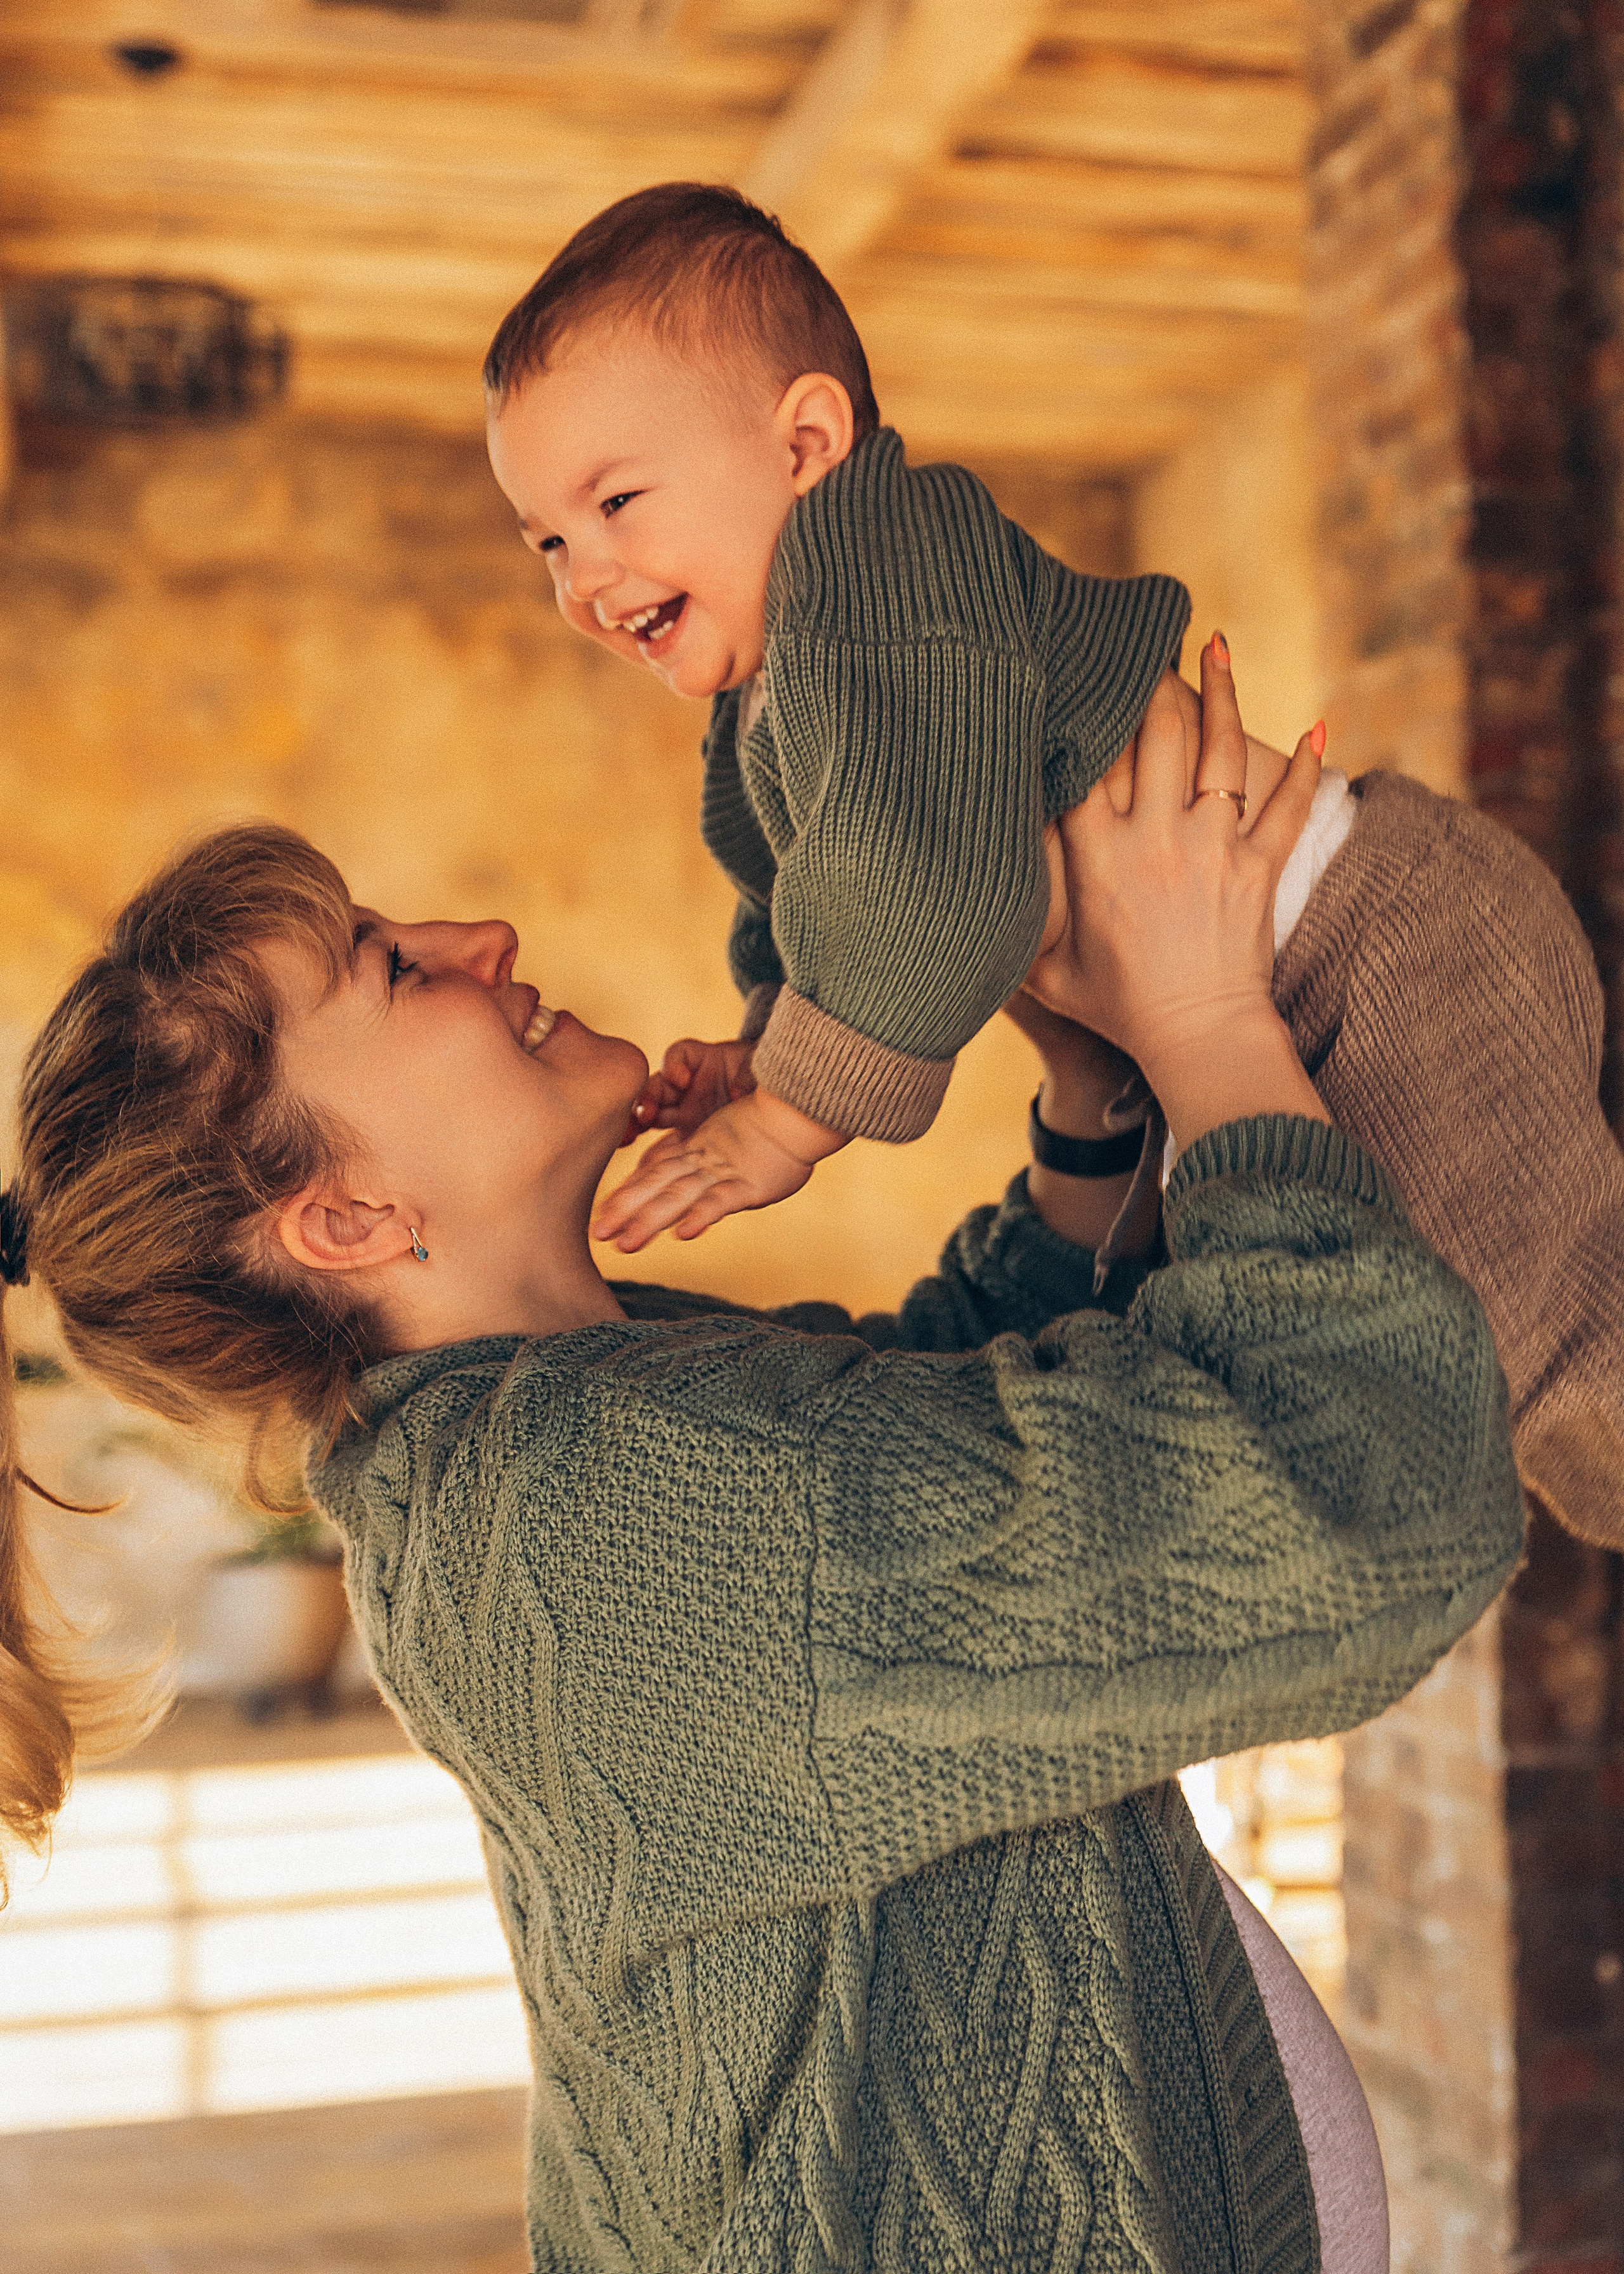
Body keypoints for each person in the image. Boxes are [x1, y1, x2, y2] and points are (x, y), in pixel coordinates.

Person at [1, 668, 1520, 2271]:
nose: (483, 941)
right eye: (393, 967)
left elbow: (939, 1419)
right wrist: (1210, 1023)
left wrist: (1086, 1085)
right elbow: (1370, 1504)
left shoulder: (532, 1434)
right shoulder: (608, 1506)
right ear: (351, 1221)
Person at [483, 181, 1624, 1551]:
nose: (583, 576)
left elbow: (943, 894)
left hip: (1376, 948)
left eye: (615, 501)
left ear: (804, 443)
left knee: (1528, 1348)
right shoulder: (770, 691)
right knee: (1450, 1375)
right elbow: (807, 891)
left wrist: (792, 1115)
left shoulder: (884, 571)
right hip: (1262, 995)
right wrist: (765, 1043)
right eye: (548, 537)